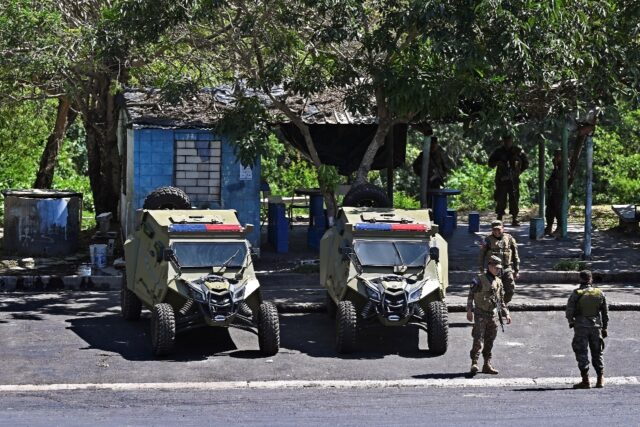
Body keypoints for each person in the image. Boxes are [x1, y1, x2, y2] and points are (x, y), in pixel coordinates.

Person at [467, 255, 512, 375]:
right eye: (495, 268)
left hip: (493, 315)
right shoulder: (479, 279)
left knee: (490, 341)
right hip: (480, 313)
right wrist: (469, 310)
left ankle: (487, 364)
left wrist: (506, 313)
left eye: (499, 268)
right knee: (478, 339)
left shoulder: (499, 281)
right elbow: (471, 295)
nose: (497, 270)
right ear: (490, 266)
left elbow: (501, 300)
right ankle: (474, 363)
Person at [566, 270, 609, 389]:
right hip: (596, 327)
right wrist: (604, 327)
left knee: (581, 352)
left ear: (581, 279)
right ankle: (600, 378)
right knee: (597, 352)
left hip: (581, 327)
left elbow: (569, 311)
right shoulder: (599, 293)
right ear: (591, 279)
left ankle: (586, 380)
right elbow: (605, 313)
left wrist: (571, 322)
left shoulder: (577, 293)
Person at [488, 134, 529, 226]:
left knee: (514, 199)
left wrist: (518, 172)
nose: (507, 143)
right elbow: (490, 163)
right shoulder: (498, 151)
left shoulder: (518, 151)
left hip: (513, 180)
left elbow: (526, 163)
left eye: (509, 141)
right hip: (502, 179)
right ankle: (499, 218)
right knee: (500, 198)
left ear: (512, 141)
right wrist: (497, 163)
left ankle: (514, 218)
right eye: (505, 141)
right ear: (503, 141)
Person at [478, 220, 519, 304]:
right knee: (494, 290)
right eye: (494, 230)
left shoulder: (509, 238)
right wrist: (481, 269)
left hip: (507, 268)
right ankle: (495, 307)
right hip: (493, 269)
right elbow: (481, 255)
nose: (497, 232)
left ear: (503, 228)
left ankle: (503, 305)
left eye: (499, 229)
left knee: (510, 289)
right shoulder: (487, 240)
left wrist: (516, 270)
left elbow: (515, 255)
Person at [545, 149, 563, 235]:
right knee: (549, 209)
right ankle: (549, 226)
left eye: (557, 156)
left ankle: (560, 227)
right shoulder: (557, 166)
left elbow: (560, 176)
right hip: (554, 191)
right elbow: (552, 177)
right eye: (555, 156)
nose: (555, 158)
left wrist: (555, 166)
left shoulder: (564, 165)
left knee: (558, 210)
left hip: (560, 192)